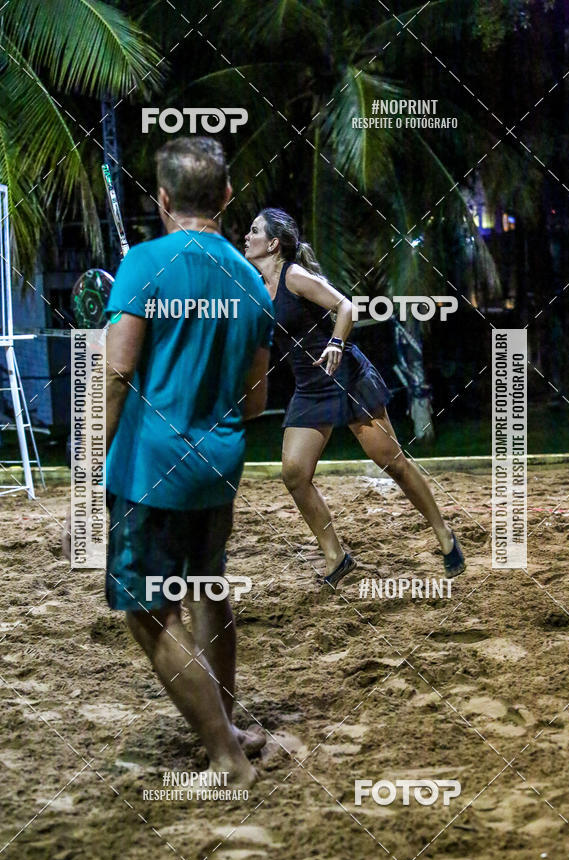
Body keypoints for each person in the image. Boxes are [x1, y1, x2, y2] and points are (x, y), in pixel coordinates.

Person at [66, 138, 274, 788]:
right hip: (220, 464)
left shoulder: (144, 264)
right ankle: (231, 723)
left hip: (150, 470)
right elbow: (258, 396)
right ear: (228, 196)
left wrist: (85, 460)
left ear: (162, 198)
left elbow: (119, 370)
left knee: (149, 609)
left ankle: (226, 757)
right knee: (209, 588)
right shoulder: (250, 278)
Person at [244, 208, 465, 589]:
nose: (246, 236)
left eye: (253, 231)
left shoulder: (294, 276)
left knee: (392, 462)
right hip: (310, 387)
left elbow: (345, 306)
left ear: (273, 243)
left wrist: (335, 343)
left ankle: (444, 534)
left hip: (345, 376)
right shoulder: (256, 284)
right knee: (295, 474)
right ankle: (336, 556)